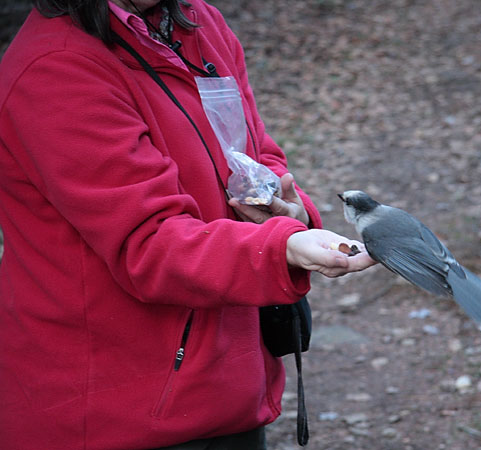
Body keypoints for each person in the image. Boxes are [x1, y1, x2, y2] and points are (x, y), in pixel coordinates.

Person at [0, 1, 376, 449]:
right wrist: (282, 249)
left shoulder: (199, 22)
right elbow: (148, 242)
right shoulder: (53, 70)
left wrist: (284, 209)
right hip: (113, 413)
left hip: (224, 386)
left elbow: (253, 152)